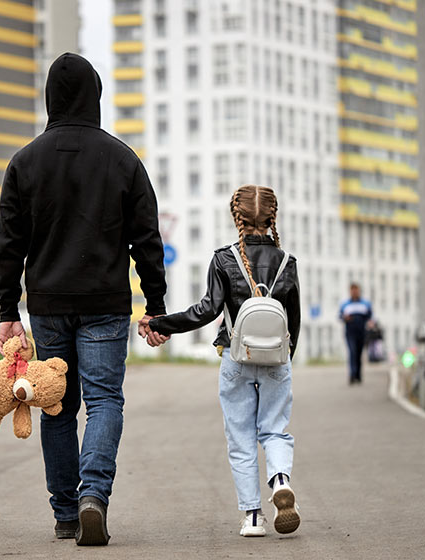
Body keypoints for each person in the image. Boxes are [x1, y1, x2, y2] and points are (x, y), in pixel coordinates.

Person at [0, 53, 167, 546]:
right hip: (105, 304)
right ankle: (94, 495)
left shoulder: (24, 163)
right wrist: (154, 302)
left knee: (57, 407)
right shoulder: (122, 159)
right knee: (105, 399)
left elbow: (9, 244)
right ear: (95, 94)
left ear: (50, 97)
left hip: (47, 306)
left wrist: (9, 311)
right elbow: (147, 239)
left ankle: (66, 514)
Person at [144, 185, 301, 538]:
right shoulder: (288, 262)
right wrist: (284, 360)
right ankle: (279, 480)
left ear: (237, 217)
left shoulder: (224, 259)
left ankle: (253, 518)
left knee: (241, 439)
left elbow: (206, 311)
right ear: (273, 217)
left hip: (236, 359)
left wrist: (159, 323)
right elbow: (295, 321)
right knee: (275, 429)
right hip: (277, 361)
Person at [339, 283, 374, 385]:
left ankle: (358, 375)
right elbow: (340, 316)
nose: (354, 292)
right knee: (352, 352)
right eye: (352, 290)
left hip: (362, 332)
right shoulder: (345, 304)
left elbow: (370, 316)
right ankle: (352, 375)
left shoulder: (365, 304)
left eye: (356, 290)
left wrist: (371, 323)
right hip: (350, 333)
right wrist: (345, 318)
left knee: (358, 354)